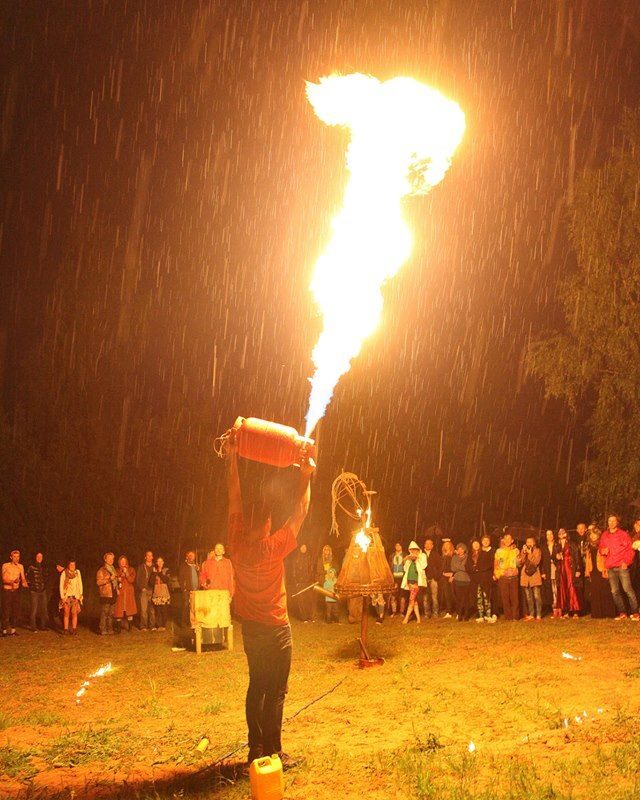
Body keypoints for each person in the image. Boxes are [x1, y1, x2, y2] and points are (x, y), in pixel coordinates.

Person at [226, 429, 315, 766]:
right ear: (265, 524)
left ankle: (255, 749)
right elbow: (301, 510)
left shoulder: (236, 542)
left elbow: (234, 497)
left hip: (252, 629)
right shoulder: (273, 547)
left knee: (256, 686)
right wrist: (306, 475)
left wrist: (231, 457)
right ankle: (273, 751)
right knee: (276, 690)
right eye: (268, 521)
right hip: (276, 629)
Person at [599, 514, 639, 620]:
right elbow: (600, 548)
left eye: (613, 521)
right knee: (614, 591)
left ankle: (635, 612)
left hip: (622, 566)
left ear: (617, 522)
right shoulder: (604, 535)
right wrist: (603, 551)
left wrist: (626, 562)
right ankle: (622, 613)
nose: (611, 523)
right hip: (610, 567)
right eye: (609, 521)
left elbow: (630, 550)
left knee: (627, 589)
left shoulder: (623, 534)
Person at [584, 527, 616, 619]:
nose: (593, 536)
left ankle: (608, 612)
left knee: (605, 591)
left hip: (602, 569)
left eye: (595, 534)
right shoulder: (588, 546)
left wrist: (606, 568)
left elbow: (607, 556)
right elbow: (587, 560)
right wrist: (587, 571)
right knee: (595, 592)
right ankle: (597, 613)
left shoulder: (602, 544)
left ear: (598, 535)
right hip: (593, 570)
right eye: (591, 534)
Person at [555, 529, 583, 618]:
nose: (561, 534)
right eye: (559, 533)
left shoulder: (572, 544)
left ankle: (575, 611)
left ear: (566, 533)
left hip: (571, 569)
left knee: (572, 588)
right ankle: (566, 611)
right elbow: (553, 557)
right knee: (563, 589)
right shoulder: (557, 545)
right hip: (561, 570)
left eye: (563, 532)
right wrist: (556, 557)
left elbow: (577, 557)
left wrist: (578, 569)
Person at [468, 538, 495, 623]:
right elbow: (468, 566)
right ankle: (480, 615)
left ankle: (488, 615)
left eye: (477, 544)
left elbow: (488, 564)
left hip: (484, 578)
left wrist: (478, 568)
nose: (476, 545)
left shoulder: (484, 553)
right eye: (474, 544)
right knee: (478, 597)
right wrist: (474, 569)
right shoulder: (470, 555)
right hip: (475, 579)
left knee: (486, 596)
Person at [2, 549, 28, 636]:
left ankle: (13, 630)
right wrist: (12, 581)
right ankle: (4, 630)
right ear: (11, 557)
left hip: (16, 591)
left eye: (18, 557)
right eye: (14, 557)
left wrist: (25, 583)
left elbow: (23, 578)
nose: (17, 558)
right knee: (6, 610)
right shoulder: (6, 565)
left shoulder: (21, 566)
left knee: (15, 610)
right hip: (7, 591)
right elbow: (4, 579)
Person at [494, 534, 519, 620]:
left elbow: (519, 563)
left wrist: (519, 559)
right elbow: (496, 564)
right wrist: (497, 574)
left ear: (512, 540)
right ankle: (508, 617)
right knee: (505, 598)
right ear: (503, 541)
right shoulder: (499, 551)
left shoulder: (516, 550)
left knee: (515, 598)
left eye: (509, 539)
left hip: (513, 577)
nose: (507, 540)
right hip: (503, 577)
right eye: (505, 539)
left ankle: (515, 616)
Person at [401, 542, 426, 624]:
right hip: (409, 581)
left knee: (411, 600)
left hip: (416, 582)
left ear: (418, 550)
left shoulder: (422, 556)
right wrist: (406, 559)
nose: (413, 551)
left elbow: (424, 566)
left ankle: (406, 618)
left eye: (415, 550)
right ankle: (418, 619)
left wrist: (416, 559)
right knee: (414, 601)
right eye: (411, 550)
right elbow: (405, 569)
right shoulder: (409, 558)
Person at [518, 536, 542, 621]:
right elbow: (521, 562)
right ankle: (531, 614)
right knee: (528, 597)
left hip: (534, 575)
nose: (529, 543)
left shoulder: (537, 550)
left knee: (536, 596)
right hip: (525, 576)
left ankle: (538, 614)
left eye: (531, 542)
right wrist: (524, 553)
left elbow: (536, 562)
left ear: (534, 543)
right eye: (527, 542)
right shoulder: (524, 551)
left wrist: (530, 553)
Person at [96, 552, 119, 635]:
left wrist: (117, 589)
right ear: (105, 559)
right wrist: (109, 579)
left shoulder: (113, 569)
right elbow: (98, 582)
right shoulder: (101, 570)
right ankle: (102, 629)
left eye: (112, 558)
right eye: (109, 558)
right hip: (106, 594)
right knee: (105, 612)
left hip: (113, 593)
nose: (111, 560)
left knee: (111, 613)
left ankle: (110, 629)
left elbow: (115, 581)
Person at [26, 552, 50, 632]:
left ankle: (43, 626)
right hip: (34, 591)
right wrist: (31, 586)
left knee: (44, 609)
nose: (39, 558)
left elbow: (46, 577)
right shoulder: (31, 567)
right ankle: (33, 627)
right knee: (34, 609)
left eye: (41, 557)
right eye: (38, 556)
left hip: (43, 591)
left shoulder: (44, 567)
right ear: (35, 557)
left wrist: (45, 586)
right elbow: (26, 577)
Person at [291, 543, 315, 622]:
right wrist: (296, 581)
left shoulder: (309, 557)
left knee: (309, 600)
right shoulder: (296, 558)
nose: (304, 549)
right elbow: (294, 571)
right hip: (300, 582)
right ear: (300, 548)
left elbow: (311, 569)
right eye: (302, 547)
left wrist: (312, 579)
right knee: (301, 600)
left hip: (308, 582)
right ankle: (304, 618)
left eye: (305, 547)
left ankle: (310, 617)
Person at [59, 560, 83, 635]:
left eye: (74, 565)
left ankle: (74, 629)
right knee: (66, 613)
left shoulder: (77, 572)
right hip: (67, 596)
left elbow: (80, 583)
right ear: (68, 565)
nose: (72, 566)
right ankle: (65, 629)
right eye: (71, 565)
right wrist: (62, 597)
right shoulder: (64, 573)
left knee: (74, 613)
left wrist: (80, 594)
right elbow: (61, 585)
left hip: (75, 596)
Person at [114, 556, 137, 631]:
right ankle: (118, 628)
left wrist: (126, 573)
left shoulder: (131, 569)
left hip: (129, 592)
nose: (123, 562)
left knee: (129, 609)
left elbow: (131, 580)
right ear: (119, 562)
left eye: (124, 561)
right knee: (119, 610)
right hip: (120, 592)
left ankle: (130, 628)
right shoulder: (116, 570)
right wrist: (118, 579)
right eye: (121, 561)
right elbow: (114, 580)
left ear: (126, 561)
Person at [178, 550, 200, 627]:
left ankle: (192, 622)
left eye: (192, 556)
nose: (191, 557)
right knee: (186, 605)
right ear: (187, 556)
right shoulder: (183, 566)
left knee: (194, 606)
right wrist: (183, 588)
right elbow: (180, 578)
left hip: (196, 590)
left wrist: (198, 570)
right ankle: (183, 622)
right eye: (189, 555)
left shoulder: (196, 566)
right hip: (187, 589)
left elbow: (199, 577)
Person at [540, 530, 560, 615]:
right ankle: (554, 608)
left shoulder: (558, 545)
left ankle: (560, 607)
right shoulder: (543, 547)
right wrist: (543, 572)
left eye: (551, 534)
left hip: (557, 568)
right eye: (547, 534)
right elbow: (542, 561)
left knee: (558, 588)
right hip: (548, 569)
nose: (549, 536)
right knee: (551, 589)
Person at [451, 542, 472, 621]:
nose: (460, 550)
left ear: (464, 550)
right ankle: (459, 614)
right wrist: (462, 567)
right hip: (457, 580)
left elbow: (467, 568)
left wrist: (459, 567)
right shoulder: (454, 557)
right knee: (458, 598)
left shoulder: (468, 557)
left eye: (462, 549)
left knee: (466, 598)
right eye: (458, 549)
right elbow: (453, 568)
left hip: (466, 580)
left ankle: (466, 615)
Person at [136, 550, 156, 631]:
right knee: (143, 610)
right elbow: (138, 579)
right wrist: (142, 587)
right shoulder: (141, 567)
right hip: (144, 591)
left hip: (153, 591)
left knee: (152, 609)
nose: (149, 557)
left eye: (151, 555)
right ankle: (143, 626)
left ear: (152, 557)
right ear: (145, 557)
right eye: (148, 555)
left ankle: (152, 626)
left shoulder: (155, 567)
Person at [423, 537, 442, 619]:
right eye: (426, 543)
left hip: (433, 579)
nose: (428, 545)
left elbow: (440, 566)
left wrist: (436, 576)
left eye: (430, 543)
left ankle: (435, 613)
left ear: (432, 545)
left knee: (434, 597)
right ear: (424, 545)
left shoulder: (435, 554)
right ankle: (427, 613)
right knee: (425, 597)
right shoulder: (421, 554)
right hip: (424, 579)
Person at [152, 557, 172, 630]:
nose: (160, 563)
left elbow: (166, 580)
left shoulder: (167, 570)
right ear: (156, 563)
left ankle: (163, 625)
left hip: (164, 593)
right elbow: (151, 582)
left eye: (161, 561)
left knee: (164, 610)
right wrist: (154, 573)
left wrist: (160, 572)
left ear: (163, 562)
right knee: (157, 610)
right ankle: (158, 625)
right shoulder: (154, 570)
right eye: (158, 561)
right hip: (156, 592)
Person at [439, 541, 455, 618]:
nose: (446, 546)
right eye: (445, 545)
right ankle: (449, 611)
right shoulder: (443, 556)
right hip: (444, 577)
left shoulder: (453, 555)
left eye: (448, 545)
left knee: (453, 594)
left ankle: (458, 610)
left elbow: (455, 566)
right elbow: (442, 568)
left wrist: (452, 574)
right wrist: (443, 573)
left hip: (452, 577)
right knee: (446, 594)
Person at [389, 543, 406, 617]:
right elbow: (390, 567)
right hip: (394, 578)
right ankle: (394, 611)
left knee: (402, 595)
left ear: (402, 546)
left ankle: (402, 612)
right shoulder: (392, 556)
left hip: (403, 577)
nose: (398, 547)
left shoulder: (405, 555)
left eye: (399, 545)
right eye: (396, 545)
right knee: (393, 595)